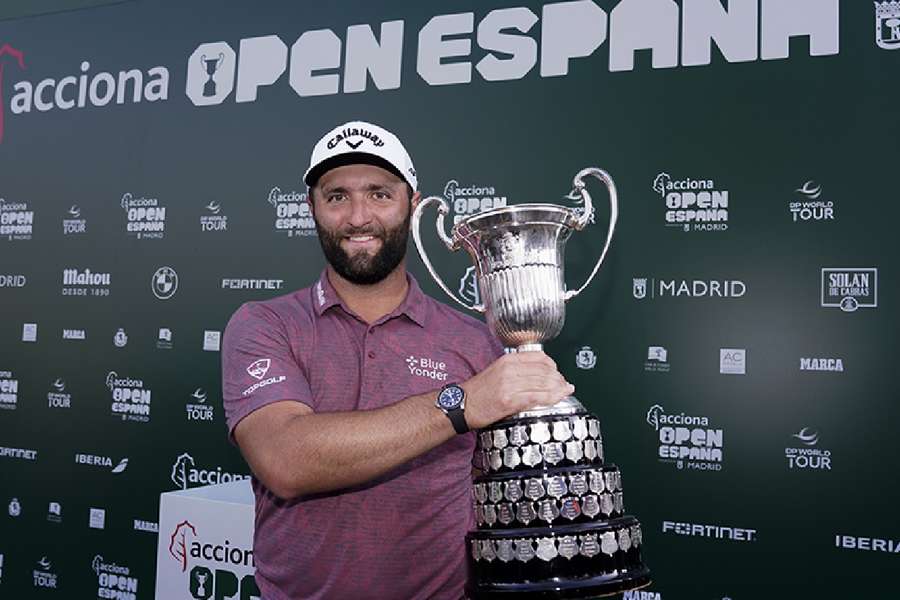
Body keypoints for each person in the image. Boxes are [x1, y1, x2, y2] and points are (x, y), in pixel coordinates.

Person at [221, 120, 575, 600]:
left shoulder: (476, 341)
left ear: (412, 201)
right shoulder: (264, 324)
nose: (358, 217)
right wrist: (461, 403)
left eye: (380, 194)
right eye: (337, 196)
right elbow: (285, 459)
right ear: (312, 208)